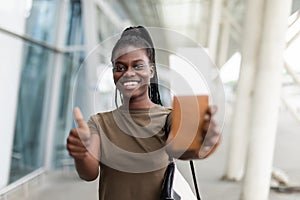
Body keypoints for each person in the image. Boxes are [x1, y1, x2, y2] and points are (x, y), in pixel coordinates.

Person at [66, 26, 221, 200]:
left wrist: (205, 142)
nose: (128, 73)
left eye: (138, 65)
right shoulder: (100, 123)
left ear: (151, 70)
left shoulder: (167, 118)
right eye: (120, 67)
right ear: (113, 74)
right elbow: (89, 174)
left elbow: (179, 149)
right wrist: (82, 153)